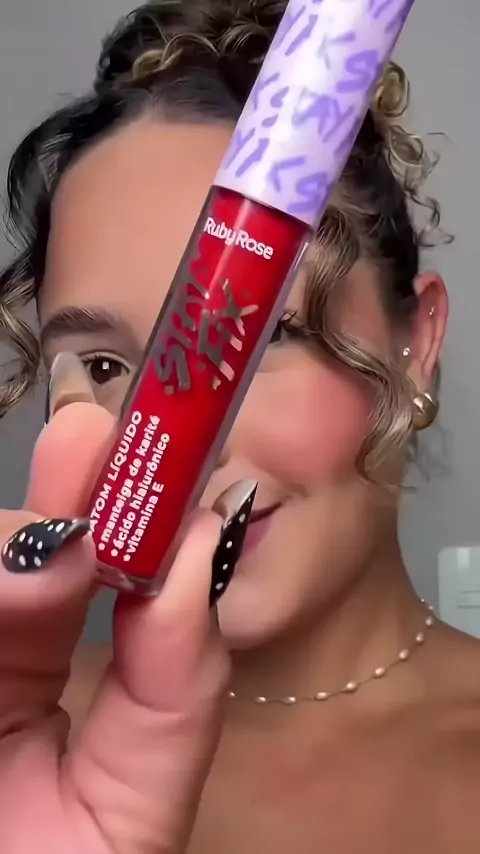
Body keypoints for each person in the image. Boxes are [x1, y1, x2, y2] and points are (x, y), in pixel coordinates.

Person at [1, 0, 480, 851]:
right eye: (104, 368)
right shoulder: (19, 751)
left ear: (417, 343)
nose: (180, 439)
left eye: (262, 337)